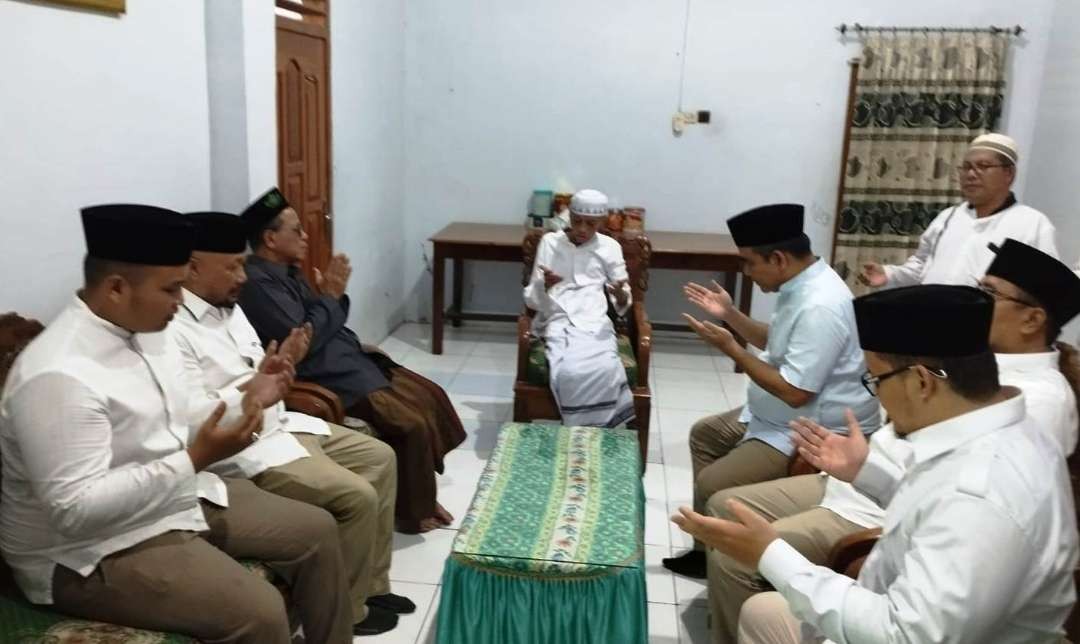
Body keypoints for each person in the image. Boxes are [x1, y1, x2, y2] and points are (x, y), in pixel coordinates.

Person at [0, 204, 353, 644]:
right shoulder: (58, 373)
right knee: (259, 612)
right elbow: (75, 512)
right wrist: (195, 460)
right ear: (115, 288)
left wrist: (250, 395)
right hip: (84, 554)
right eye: (171, 289)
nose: (181, 301)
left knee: (316, 531)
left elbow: (179, 420)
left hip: (169, 499)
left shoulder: (148, 331)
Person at [699, 237, 1080, 644]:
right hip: (896, 606)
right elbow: (935, 505)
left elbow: (906, 634)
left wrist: (770, 554)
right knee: (762, 612)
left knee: (762, 581)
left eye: (875, 379)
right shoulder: (991, 426)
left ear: (921, 382)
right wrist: (870, 475)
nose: (876, 394)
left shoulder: (984, 489)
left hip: (899, 630)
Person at [172, 211, 411, 636]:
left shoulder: (227, 308)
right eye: (232, 266)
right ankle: (351, 610)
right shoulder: (171, 328)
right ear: (192, 268)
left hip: (281, 424)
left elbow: (259, 366)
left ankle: (372, 586)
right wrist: (253, 392)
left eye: (242, 264)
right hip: (243, 449)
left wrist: (285, 365)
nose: (242, 276)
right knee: (355, 496)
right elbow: (194, 419)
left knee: (380, 457)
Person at [662, 203, 881, 578]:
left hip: (806, 426)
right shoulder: (800, 284)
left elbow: (797, 393)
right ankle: (706, 551)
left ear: (778, 258)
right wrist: (731, 316)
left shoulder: (820, 304)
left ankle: (729, 563)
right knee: (706, 434)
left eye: (750, 263)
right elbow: (778, 341)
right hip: (777, 413)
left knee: (714, 485)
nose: (746, 272)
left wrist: (731, 348)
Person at [236, 188, 465, 534]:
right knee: (409, 423)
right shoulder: (257, 284)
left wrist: (329, 300)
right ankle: (411, 510)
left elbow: (324, 319)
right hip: (329, 375)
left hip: (349, 357)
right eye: (296, 230)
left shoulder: (288, 272)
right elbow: (304, 339)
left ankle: (416, 489)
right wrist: (329, 295)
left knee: (430, 394)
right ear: (270, 238)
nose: (305, 235)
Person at [860, 133, 1058, 289]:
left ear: (1008, 174)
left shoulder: (1032, 224)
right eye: (966, 167)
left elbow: (1043, 288)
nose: (971, 174)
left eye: (983, 166)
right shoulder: (948, 217)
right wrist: (889, 274)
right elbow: (922, 266)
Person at [522, 188, 634, 427]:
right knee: (569, 372)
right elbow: (532, 298)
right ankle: (580, 432)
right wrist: (545, 285)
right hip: (557, 319)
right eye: (577, 221)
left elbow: (624, 298)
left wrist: (620, 296)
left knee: (605, 368)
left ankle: (594, 433)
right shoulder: (550, 243)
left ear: (602, 223)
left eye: (591, 223)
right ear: (569, 217)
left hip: (595, 321)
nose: (583, 229)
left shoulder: (610, 246)